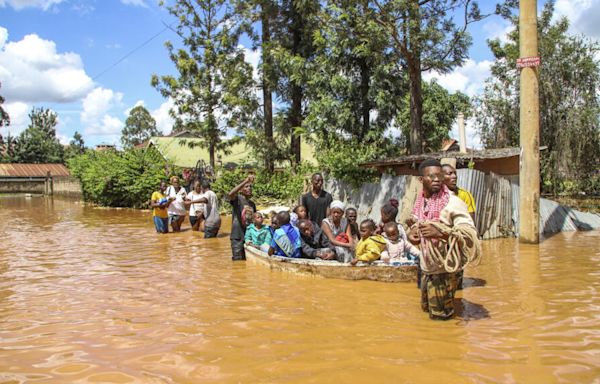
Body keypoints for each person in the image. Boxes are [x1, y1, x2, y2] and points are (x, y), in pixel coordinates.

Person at [407, 159, 480, 321]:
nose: (436, 180)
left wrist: (441, 233)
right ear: (421, 180)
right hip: (427, 268)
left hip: (444, 271)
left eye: (439, 176)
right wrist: (411, 233)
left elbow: (470, 235)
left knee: (441, 319)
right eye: (431, 176)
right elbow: (416, 222)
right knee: (426, 311)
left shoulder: (453, 203)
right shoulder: (421, 201)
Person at [441, 163, 476, 290]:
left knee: (456, 281)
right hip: (440, 243)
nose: (454, 176)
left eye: (454, 173)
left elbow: (470, 221)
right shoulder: (434, 197)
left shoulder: (464, 195)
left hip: (457, 241)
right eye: (449, 173)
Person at [227, 174, 257, 260]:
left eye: (250, 186)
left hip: (248, 237)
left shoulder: (252, 204)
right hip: (237, 237)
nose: (249, 188)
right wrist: (246, 180)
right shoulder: (238, 200)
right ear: (241, 190)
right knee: (238, 262)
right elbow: (230, 194)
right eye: (246, 187)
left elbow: (253, 222)